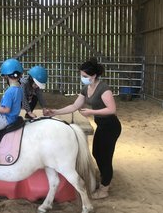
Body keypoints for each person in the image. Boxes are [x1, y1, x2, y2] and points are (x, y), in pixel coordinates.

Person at [45, 57, 122, 199]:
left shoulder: (104, 89)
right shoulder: (86, 88)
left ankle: (104, 189)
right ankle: (104, 179)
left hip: (111, 126)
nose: (82, 78)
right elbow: (74, 106)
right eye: (81, 75)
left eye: (85, 76)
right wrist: (55, 111)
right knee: (97, 153)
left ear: (94, 75)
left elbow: (112, 109)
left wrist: (91, 112)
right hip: (102, 125)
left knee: (105, 156)